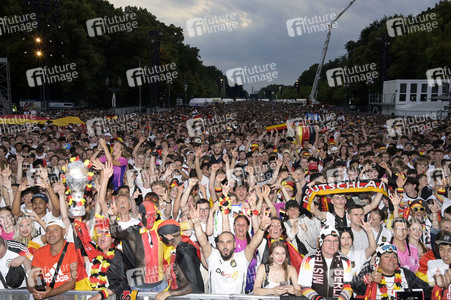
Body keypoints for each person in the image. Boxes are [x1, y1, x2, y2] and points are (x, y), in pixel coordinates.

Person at [192, 205, 271, 294]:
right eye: (221, 242)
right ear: (217, 245)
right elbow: (203, 241)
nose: (225, 245)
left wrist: (262, 228)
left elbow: (253, 244)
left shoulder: (242, 258)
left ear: (234, 245)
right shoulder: (213, 256)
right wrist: (197, 224)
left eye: (229, 242)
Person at [74, 215, 129, 299]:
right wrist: (78, 222)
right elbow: (81, 239)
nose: (102, 236)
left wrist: (99, 295)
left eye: (106, 233)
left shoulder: (116, 255)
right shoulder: (91, 251)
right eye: (100, 232)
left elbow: (121, 283)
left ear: (113, 239)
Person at [352, 243, 431, 300]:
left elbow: (427, 291)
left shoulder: (406, 274)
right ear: (378, 260)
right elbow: (354, 285)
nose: (391, 260)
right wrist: (369, 279)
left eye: (394, 257)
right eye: (386, 257)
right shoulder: (370, 271)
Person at [298, 226, 353, 300]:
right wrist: (319, 299)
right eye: (328, 241)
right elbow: (304, 288)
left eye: (335, 241)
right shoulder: (309, 259)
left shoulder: (345, 260)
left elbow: (348, 287)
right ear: (321, 242)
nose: (332, 244)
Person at [27, 220, 78, 299]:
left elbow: (73, 281)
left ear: (64, 232)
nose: (51, 234)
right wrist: (36, 292)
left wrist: (51, 293)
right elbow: (31, 279)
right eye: (48, 231)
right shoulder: (40, 252)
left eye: (55, 230)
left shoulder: (73, 249)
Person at [155, 219, 204, 300]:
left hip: (189, 297)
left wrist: (168, 293)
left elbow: (193, 285)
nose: (160, 239)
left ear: (169, 236)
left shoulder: (185, 251)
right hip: (182, 294)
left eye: (161, 236)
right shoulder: (183, 245)